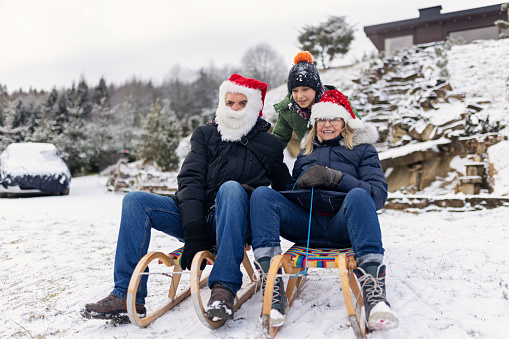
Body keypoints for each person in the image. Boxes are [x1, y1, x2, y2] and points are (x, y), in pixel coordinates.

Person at [81, 74, 290, 322]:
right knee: (135, 201)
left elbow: (283, 192)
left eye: (242, 103)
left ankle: (223, 289)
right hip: (195, 217)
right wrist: (193, 230)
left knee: (232, 188)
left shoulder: (270, 144)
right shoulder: (205, 134)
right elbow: (189, 180)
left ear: (254, 107)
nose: (234, 109)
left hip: (234, 221)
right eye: (229, 102)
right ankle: (127, 296)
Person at [250, 90, 399, 330]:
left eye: (334, 119)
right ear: (314, 124)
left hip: (343, 225)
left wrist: (337, 178)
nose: (327, 124)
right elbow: (292, 190)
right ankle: (273, 288)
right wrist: (290, 180)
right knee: (261, 194)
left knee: (360, 195)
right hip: (306, 225)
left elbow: (377, 197)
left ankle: (375, 295)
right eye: (321, 120)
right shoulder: (306, 152)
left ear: (345, 123)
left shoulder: (364, 151)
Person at [271, 51, 360, 149]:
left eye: (305, 89)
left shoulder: (337, 102)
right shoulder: (288, 110)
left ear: (316, 89)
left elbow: (358, 129)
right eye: (295, 91)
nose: (299, 96)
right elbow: (276, 142)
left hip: (340, 156)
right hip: (310, 159)